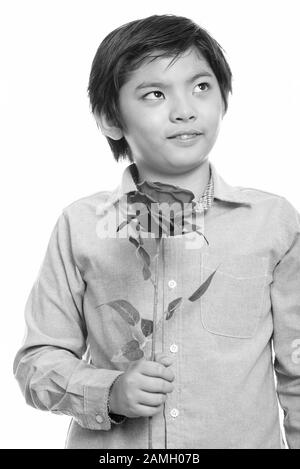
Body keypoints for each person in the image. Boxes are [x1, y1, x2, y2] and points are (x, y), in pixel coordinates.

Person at [13, 14, 300, 449]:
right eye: (154, 93)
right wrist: (109, 392)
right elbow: (37, 362)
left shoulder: (269, 222)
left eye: (200, 86)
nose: (185, 109)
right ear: (111, 119)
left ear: (223, 98)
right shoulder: (82, 226)